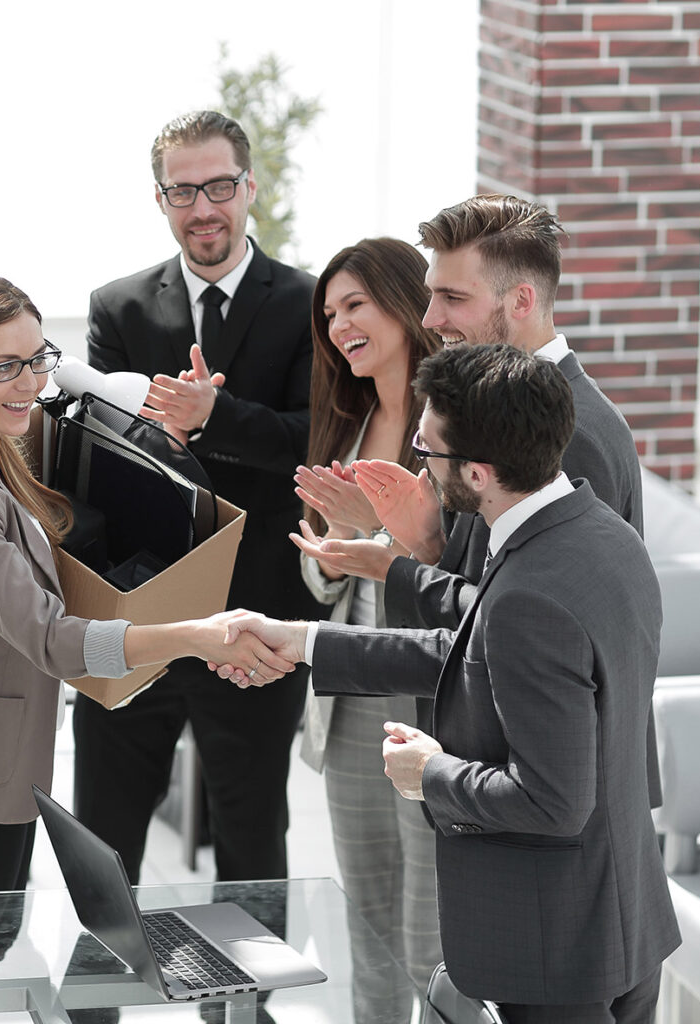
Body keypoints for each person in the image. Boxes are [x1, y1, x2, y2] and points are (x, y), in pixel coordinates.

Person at [216, 344, 681, 1023]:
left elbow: (550, 801)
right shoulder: (596, 532)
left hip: (554, 954)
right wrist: (306, 640)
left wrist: (428, 771)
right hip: (617, 922)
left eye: (426, 454)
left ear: (478, 472)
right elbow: (473, 649)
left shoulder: (530, 587)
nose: (419, 470)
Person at [0, 275, 291, 898]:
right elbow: (51, 639)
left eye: (36, 358)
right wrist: (197, 636)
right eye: (4, 366)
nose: (29, 384)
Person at [292, 194, 660, 807]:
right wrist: (423, 537)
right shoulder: (511, 409)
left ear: (521, 300)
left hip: (529, 782)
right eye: (432, 294)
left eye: (452, 298)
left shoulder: (572, 433)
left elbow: (521, 623)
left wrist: (396, 563)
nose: (430, 317)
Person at [72, 109, 324, 886]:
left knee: (250, 836)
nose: (203, 207)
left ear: (249, 187)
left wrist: (213, 419)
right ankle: (95, 1005)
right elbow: (99, 451)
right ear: (160, 200)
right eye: (183, 191)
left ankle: (243, 1008)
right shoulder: (120, 306)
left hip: (258, 611)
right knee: (103, 833)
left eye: (219, 186)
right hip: (139, 608)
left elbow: (314, 442)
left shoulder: (310, 304)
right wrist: (163, 441)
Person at [290, 237, 441, 1018]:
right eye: (329, 314)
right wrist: (329, 554)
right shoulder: (348, 419)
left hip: (425, 694)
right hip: (350, 695)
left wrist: (369, 539)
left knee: (427, 933)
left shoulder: (447, 421)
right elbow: (323, 570)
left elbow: (447, 561)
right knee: (367, 919)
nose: (340, 325)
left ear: (403, 300)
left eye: (355, 305)